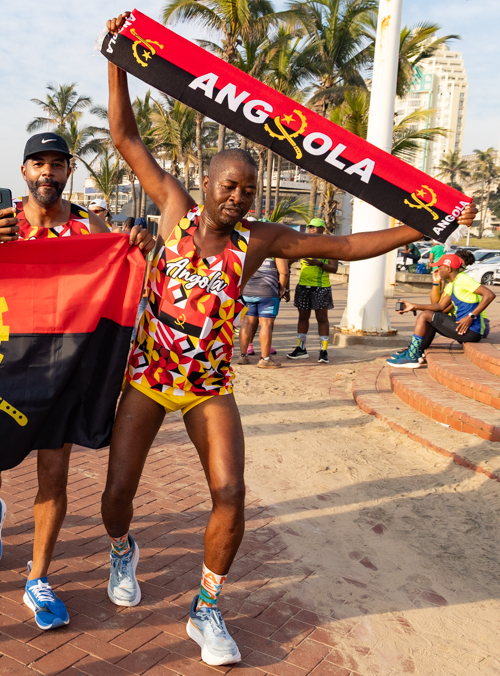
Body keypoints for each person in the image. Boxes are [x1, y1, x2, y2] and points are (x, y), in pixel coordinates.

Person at [100, 20, 477, 665]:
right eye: (229, 186)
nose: (238, 198)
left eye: (248, 190)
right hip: (149, 376)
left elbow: (345, 246)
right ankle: (121, 549)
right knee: (117, 495)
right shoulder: (172, 209)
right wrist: (118, 59)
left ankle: (207, 608)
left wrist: (419, 226)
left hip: (207, 388)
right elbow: (126, 137)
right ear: (210, 182)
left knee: (231, 492)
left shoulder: (260, 241)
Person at [0, 131, 153, 631]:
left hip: (62, 371)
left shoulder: (89, 227)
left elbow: (126, 275)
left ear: (69, 171)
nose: (47, 172)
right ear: (24, 172)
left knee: (54, 475)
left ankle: (39, 577)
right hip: (1, 370)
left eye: (57, 164)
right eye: (38, 164)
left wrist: (137, 245)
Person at [389, 251, 495, 367]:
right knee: (429, 317)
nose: (437, 270)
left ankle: (412, 355)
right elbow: (440, 306)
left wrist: (471, 316)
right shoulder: (454, 283)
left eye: (440, 267)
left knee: (426, 316)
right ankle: (415, 352)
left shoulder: (463, 280)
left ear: (448, 269)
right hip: (464, 329)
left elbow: (489, 295)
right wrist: (413, 306)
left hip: (471, 331)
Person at [286, 219, 337, 364]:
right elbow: (289, 260)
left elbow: (334, 268)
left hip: (321, 287)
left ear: (322, 229)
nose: (312, 229)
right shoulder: (304, 244)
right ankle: (301, 349)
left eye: (316, 227)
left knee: (322, 319)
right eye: (310, 227)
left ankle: (323, 351)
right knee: (302, 318)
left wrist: (319, 263)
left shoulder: (329, 246)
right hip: (303, 286)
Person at [236, 256, 289, 369]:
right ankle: (265, 359)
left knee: (247, 323)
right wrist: (281, 289)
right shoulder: (276, 252)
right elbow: (284, 273)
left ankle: (243, 356)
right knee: (266, 324)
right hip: (268, 293)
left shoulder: (251, 250)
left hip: (248, 292)